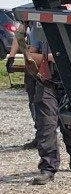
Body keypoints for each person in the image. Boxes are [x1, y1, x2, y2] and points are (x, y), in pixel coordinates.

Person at [24, 21, 71, 185]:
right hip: (46, 81)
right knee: (45, 126)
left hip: (70, 82)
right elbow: (30, 54)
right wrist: (48, 57)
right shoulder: (39, 27)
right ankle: (48, 168)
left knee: (69, 125)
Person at [6, 21, 37, 149]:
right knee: (33, 100)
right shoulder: (30, 15)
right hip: (33, 63)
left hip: (49, 61)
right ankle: (42, 134)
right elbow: (19, 34)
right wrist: (12, 56)